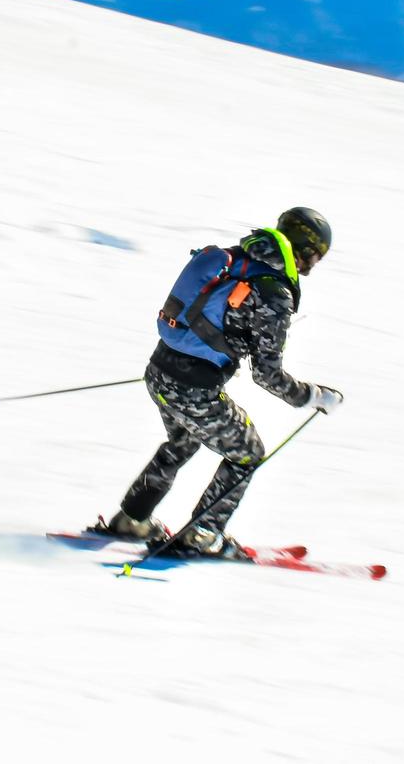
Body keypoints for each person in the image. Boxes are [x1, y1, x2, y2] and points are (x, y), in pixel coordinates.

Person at [92, 208, 343, 559]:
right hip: (193, 389)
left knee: (183, 442)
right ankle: (202, 535)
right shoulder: (274, 291)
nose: (314, 265)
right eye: (317, 255)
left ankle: (132, 519)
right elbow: (267, 374)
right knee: (247, 454)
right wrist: (313, 397)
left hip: (159, 370)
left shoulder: (239, 259)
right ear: (306, 249)